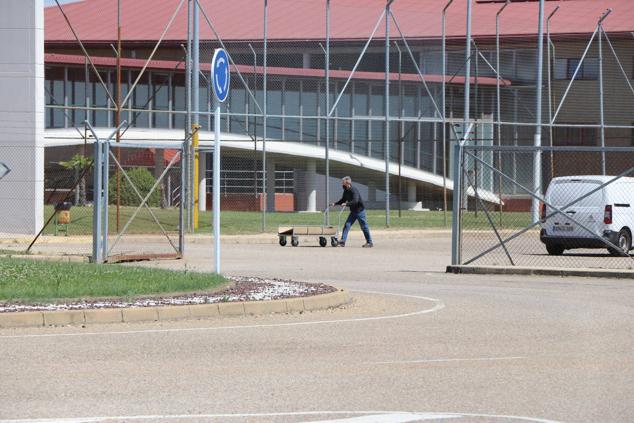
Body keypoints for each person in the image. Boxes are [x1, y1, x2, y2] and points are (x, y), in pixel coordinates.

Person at [331, 176, 373, 248]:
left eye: (343, 183)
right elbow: (343, 199)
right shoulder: (346, 190)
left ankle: (369, 242)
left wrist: (346, 204)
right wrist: (335, 203)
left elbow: (355, 201)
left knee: (364, 227)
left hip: (360, 211)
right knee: (347, 225)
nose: (342, 185)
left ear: (347, 183)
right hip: (353, 211)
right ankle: (342, 241)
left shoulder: (354, 190)